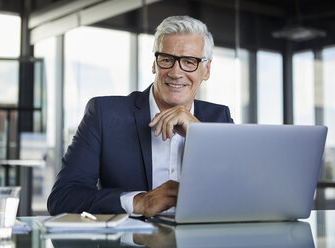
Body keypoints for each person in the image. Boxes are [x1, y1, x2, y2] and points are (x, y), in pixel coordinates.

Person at [47, 15, 234, 218]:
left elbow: (244, 192)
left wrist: (200, 134)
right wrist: (140, 202)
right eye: (167, 60)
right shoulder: (104, 114)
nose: (175, 72)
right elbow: (63, 198)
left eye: (189, 62)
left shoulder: (218, 119)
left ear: (206, 70)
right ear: (154, 64)